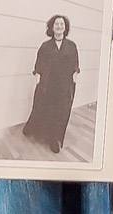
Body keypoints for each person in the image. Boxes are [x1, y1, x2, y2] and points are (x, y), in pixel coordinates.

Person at [23, 13, 80, 153]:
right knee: (42, 108)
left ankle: (54, 139)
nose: (59, 26)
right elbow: (39, 65)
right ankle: (33, 128)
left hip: (64, 85)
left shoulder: (71, 46)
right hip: (47, 85)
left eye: (62, 24)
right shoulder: (45, 46)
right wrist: (38, 81)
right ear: (52, 27)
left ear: (65, 27)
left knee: (60, 112)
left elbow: (75, 65)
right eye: (56, 24)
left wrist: (74, 79)